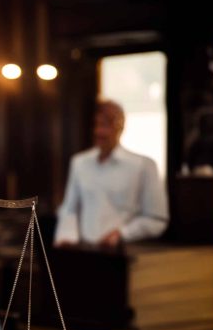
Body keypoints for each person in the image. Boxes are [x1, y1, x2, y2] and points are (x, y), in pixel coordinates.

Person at [54, 99, 168, 248]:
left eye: (106, 125)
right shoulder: (79, 163)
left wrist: (122, 233)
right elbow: (69, 209)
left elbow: (157, 219)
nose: (99, 132)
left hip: (124, 253)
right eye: (97, 125)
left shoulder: (143, 165)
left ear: (121, 126)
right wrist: (66, 237)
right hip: (84, 252)